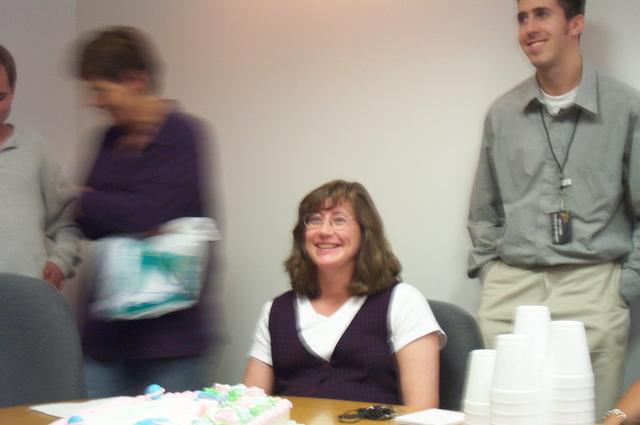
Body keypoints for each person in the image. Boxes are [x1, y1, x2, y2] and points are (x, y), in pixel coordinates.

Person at [467, 0, 639, 417]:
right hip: (511, 289)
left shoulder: (625, 108)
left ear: (575, 23)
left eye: (542, 14)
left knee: (592, 416)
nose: (528, 28)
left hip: (593, 287)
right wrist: (491, 273)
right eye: (522, 17)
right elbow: (483, 210)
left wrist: (625, 284)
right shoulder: (503, 113)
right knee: (502, 414)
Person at [73, 27, 214, 397]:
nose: (95, 101)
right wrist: (104, 208)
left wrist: (93, 200)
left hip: (171, 341)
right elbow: (85, 222)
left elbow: (149, 211)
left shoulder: (183, 135)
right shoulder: (107, 140)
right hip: (105, 339)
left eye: (101, 89)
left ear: (134, 80)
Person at [244, 180, 444, 408]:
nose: (324, 231)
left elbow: (423, 414)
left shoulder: (404, 302)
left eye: (339, 220)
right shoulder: (276, 311)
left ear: (365, 232)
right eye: (314, 220)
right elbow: (248, 408)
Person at [0, 44, 80, 288]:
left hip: (29, 296)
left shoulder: (34, 149)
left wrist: (61, 262)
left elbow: (67, 220)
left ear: (13, 90)